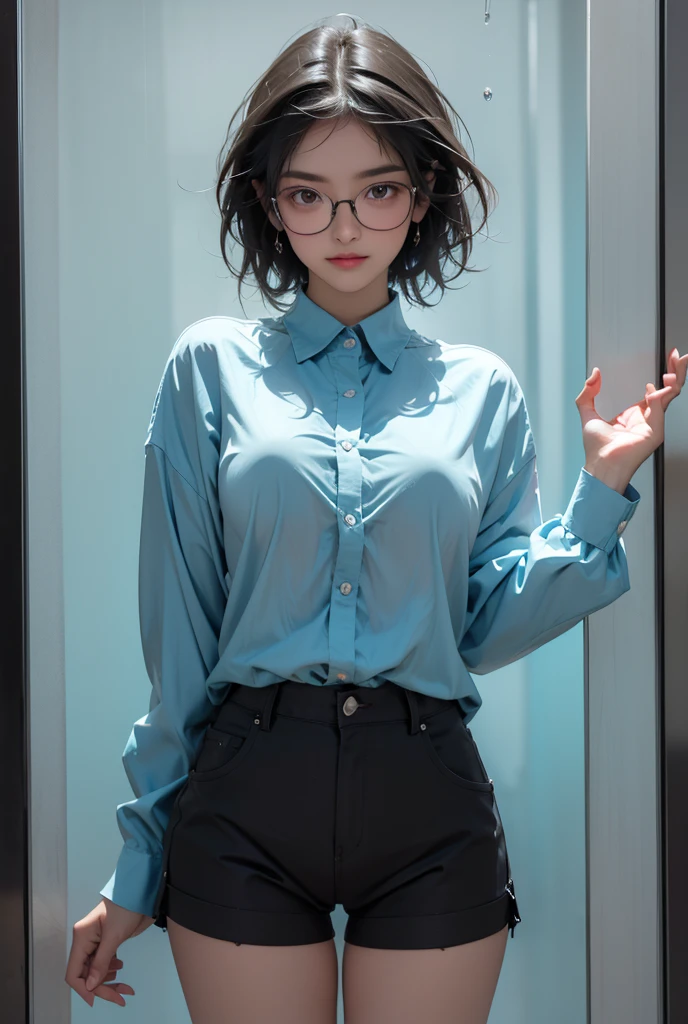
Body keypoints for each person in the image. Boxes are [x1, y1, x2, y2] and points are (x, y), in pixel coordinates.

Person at [65, 15, 687, 1024]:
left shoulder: (481, 392)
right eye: (308, 195)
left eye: (376, 191)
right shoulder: (208, 371)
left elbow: (479, 625)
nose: (342, 226)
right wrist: (138, 866)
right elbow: (178, 639)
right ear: (270, 204)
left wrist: (600, 493)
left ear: (420, 195)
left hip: (427, 793)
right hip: (244, 795)